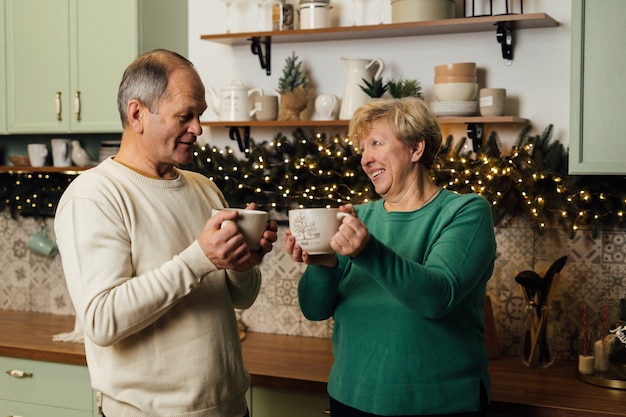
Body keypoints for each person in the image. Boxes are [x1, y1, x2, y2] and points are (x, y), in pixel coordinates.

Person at [54, 49, 277, 417]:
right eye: (185, 116)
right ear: (137, 114)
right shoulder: (94, 194)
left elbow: (242, 298)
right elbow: (101, 320)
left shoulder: (204, 188)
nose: (198, 129)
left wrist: (240, 262)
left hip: (231, 407)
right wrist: (199, 258)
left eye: (200, 115)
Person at [285, 97, 496, 417]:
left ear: (416, 149)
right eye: (362, 148)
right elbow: (314, 309)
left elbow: (437, 297)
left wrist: (367, 252)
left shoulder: (465, 212)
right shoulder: (357, 219)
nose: (365, 159)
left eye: (376, 144)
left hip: (440, 405)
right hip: (351, 398)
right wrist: (324, 264)